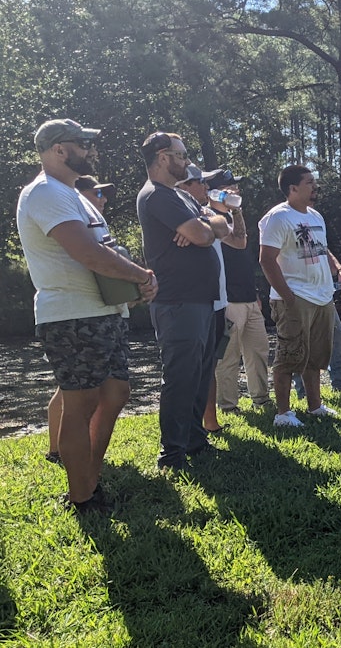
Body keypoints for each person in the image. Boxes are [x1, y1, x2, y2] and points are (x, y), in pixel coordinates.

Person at [18, 119, 157, 511]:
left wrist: (136, 286)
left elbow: (106, 250)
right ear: (58, 150)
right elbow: (88, 253)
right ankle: (82, 497)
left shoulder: (72, 194)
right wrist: (142, 275)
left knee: (116, 393)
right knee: (80, 403)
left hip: (103, 313)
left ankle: (91, 475)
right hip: (71, 316)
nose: (90, 150)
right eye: (82, 143)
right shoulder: (44, 193)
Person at [137, 131, 227, 471]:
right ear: (162, 157)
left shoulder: (181, 197)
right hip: (177, 302)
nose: (187, 160)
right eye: (181, 154)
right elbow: (205, 233)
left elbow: (221, 224)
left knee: (201, 375)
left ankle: (194, 441)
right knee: (180, 377)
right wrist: (204, 228)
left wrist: (204, 223)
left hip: (202, 301)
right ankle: (171, 455)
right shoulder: (156, 196)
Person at [259, 164, 341, 427]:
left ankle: (315, 406)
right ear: (292, 188)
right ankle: (283, 414)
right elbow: (266, 260)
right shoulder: (278, 217)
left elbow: (321, 249)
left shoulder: (315, 216)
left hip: (322, 296)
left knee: (315, 356)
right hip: (295, 298)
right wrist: (288, 297)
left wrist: (338, 269)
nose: (314, 186)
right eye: (309, 182)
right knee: (289, 356)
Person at [43, 175, 122, 465]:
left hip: (97, 313)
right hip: (70, 314)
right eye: (97, 193)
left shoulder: (94, 221)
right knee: (72, 394)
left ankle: (69, 453)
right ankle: (58, 452)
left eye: (104, 194)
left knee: (70, 391)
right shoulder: (61, 209)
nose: (102, 199)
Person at [177, 165, 241, 434]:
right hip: (190, 304)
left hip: (218, 302)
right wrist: (208, 224)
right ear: (183, 186)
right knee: (187, 370)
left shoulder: (205, 212)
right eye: (199, 182)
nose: (205, 187)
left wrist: (214, 218)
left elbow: (231, 235)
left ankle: (210, 422)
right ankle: (185, 431)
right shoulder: (176, 214)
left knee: (210, 364)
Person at [207, 168, 273, 414]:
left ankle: (261, 399)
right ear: (213, 192)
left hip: (248, 297)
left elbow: (242, 256)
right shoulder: (210, 217)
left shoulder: (234, 217)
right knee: (229, 357)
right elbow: (239, 241)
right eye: (229, 187)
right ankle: (228, 405)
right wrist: (235, 209)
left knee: (258, 351)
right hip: (228, 300)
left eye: (235, 187)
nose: (235, 191)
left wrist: (254, 292)